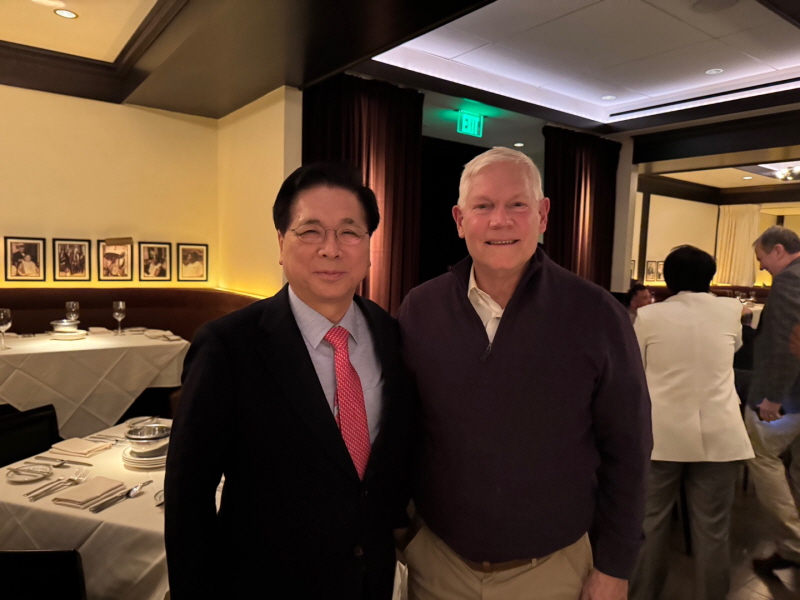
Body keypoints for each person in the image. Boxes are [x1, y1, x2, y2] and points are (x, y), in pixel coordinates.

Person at [397, 147, 652, 600]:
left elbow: (629, 448)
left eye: (517, 204)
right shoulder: (421, 308)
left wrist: (615, 565)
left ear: (543, 215)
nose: (500, 220)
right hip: (438, 564)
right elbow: (404, 430)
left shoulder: (595, 313)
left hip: (552, 570)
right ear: (459, 220)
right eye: (483, 206)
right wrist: (401, 529)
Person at [165, 163, 415, 599]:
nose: (331, 249)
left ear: (369, 247)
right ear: (282, 243)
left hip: (370, 581)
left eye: (349, 232)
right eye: (311, 231)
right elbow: (189, 497)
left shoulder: (390, 334)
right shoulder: (228, 347)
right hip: (265, 584)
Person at [629, 245, 754, 600]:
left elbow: (636, 368)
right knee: (713, 531)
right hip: (721, 434)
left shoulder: (649, 316)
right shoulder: (731, 310)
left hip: (662, 434)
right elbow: (733, 347)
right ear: (710, 276)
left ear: (667, 278)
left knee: (649, 524)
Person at [743, 226, 800, 576]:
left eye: (761, 258)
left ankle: (794, 544)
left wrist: (773, 398)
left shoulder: (790, 280)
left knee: (761, 456)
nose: (762, 266)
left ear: (778, 250)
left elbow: (789, 343)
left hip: (789, 397)